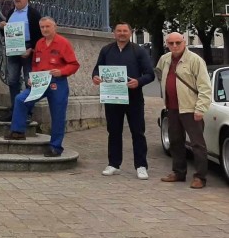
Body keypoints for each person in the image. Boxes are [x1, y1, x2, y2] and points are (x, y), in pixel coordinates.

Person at [3, 17, 80, 157]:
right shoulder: (39, 43)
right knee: (21, 99)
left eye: (47, 26)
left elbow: (74, 64)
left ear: (54, 27)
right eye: (42, 27)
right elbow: (35, 64)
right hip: (40, 82)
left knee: (58, 114)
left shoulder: (63, 43)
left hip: (57, 82)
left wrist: (62, 71)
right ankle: (18, 131)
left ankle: (55, 147)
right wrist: (32, 78)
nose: (44, 29)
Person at [91, 23, 155, 179]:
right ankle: (113, 164)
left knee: (138, 132)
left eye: (125, 31)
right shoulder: (106, 50)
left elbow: (150, 74)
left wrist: (138, 82)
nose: (122, 33)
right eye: (118, 31)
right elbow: (97, 69)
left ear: (130, 32)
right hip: (112, 97)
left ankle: (141, 166)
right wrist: (95, 77)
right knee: (113, 131)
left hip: (134, 98)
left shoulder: (138, 51)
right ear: (114, 33)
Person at [156, 32, 212, 189]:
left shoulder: (195, 60)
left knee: (197, 144)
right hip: (172, 108)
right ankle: (179, 172)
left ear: (184, 42)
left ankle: (200, 177)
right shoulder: (165, 59)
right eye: (171, 43)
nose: (174, 46)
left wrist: (200, 108)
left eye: (178, 42)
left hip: (191, 108)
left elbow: (205, 87)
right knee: (175, 141)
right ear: (167, 44)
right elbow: (160, 74)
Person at [0, 0, 42, 115]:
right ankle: (15, 109)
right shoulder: (11, 13)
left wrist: (31, 49)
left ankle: (27, 110)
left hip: (28, 48)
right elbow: (6, 34)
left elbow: (39, 35)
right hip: (13, 48)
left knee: (29, 80)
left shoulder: (33, 13)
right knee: (12, 80)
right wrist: (2, 28)